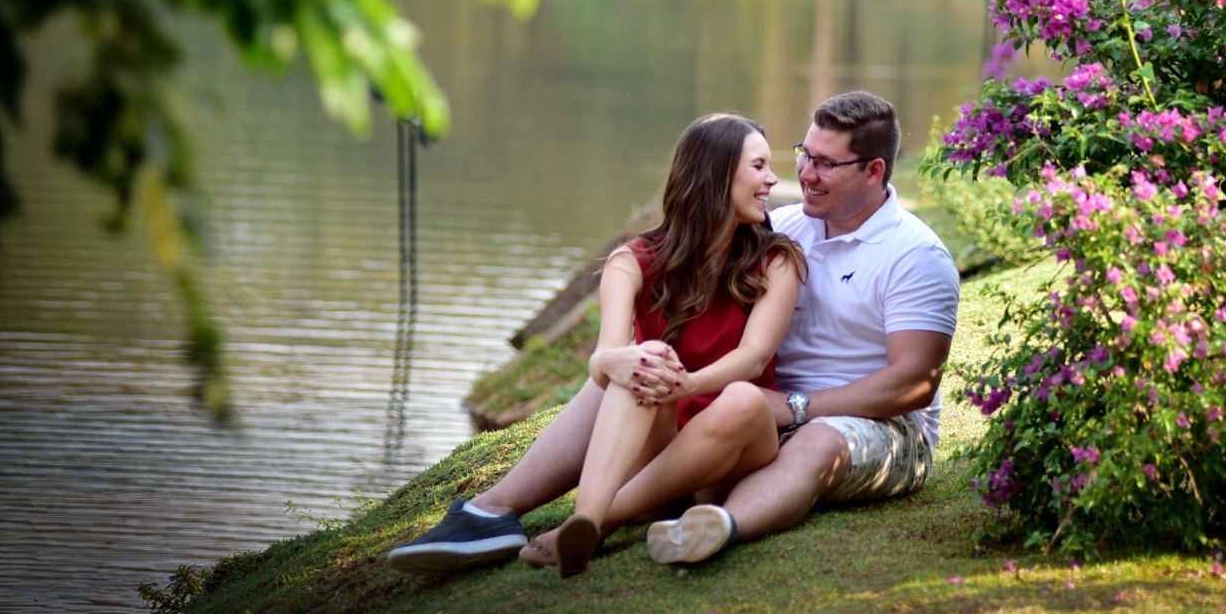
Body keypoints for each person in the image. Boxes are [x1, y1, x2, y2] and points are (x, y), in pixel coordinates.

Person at [385, 90, 960, 574]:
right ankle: (489, 513)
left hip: (856, 424)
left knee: (802, 435)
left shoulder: (914, 255)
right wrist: (642, 361)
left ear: (875, 170)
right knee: (629, 372)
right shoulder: (784, 228)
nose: (803, 174)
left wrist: (797, 406)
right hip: (748, 411)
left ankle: (621, 523)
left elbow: (913, 384)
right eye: (803, 154)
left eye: (826, 164)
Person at [388, 112, 804, 578]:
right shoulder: (632, 261)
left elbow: (755, 357)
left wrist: (686, 385)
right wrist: (628, 363)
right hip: (657, 450)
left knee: (743, 400)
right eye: (759, 166)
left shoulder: (776, 259)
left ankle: (596, 522)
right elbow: (604, 359)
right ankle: (583, 518)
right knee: (635, 363)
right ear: (717, 173)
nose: (772, 179)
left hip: (729, 460)